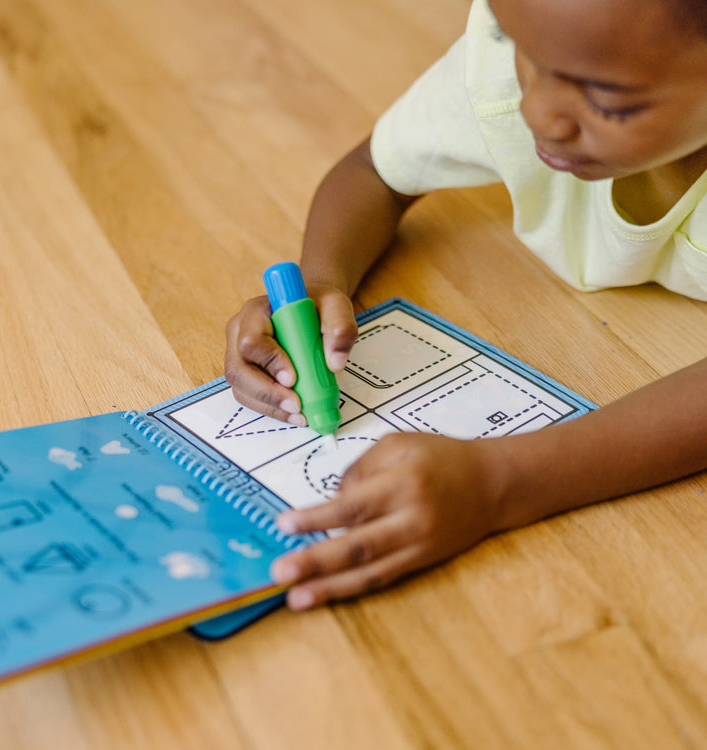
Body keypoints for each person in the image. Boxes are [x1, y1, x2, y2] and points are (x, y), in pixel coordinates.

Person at [224, 0, 707, 610]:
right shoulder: (531, 53)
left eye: (609, 102)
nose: (538, 112)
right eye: (518, 47)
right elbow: (374, 171)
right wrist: (322, 279)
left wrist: (502, 480)